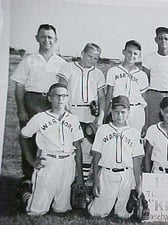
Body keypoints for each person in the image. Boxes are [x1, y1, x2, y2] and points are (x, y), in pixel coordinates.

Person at [11, 24, 66, 186]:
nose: (46, 40)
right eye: (43, 36)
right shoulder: (29, 60)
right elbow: (19, 86)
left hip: (52, 102)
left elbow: (64, 87)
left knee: (50, 141)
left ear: (55, 40)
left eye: (50, 37)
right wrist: (21, 109)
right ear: (37, 38)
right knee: (29, 139)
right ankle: (28, 178)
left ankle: (46, 179)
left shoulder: (61, 63)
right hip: (32, 101)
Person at [20, 83, 84, 215]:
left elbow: (77, 147)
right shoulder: (40, 118)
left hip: (68, 162)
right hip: (48, 162)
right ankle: (26, 193)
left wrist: (80, 177)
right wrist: (31, 160)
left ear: (67, 98)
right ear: (49, 98)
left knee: (61, 209)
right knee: (37, 211)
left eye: (64, 96)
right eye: (57, 96)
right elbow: (23, 136)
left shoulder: (73, 119)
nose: (61, 99)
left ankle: (50, 199)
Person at [88, 95, 144, 219]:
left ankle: (122, 204)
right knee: (97, 213)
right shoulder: (103, 130)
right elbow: (97, 156)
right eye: (116, 112)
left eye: (123, 112)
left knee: (123, 215)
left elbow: (136, 161)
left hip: (126, 175)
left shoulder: (134, 133)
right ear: (111, 113)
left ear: (129, 112)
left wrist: (138, 184)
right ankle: (97, 202)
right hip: (108, 173)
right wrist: (96, 180)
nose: (120, 115)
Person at [58, 43, 106, 187]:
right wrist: (66, 112)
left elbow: (102, 97)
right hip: (71, 111)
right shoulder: (69, 67)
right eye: (90, 56)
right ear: (82, 53)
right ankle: (66, 182)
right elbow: (62, 88)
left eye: (96, 58)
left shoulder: (97, 73)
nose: (92, 60)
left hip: (90, 112)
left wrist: (100, 118)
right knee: (69, 148)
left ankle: (81, 185)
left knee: (86, 149)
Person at [105, 40, 149, 135]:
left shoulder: (142, 75)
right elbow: (108, 96)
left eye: (135, 53)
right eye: (129, 52)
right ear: (123, 52)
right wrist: (104, 115)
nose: (132, 55)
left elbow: (145, 101)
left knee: (135, 141)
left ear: (139, 56)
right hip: (119, 110)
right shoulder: (113, 71)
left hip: (137, 111)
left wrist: (146, 123)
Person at [143, 27, 168, 127]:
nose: (163, 41)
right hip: (153, 95)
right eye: (160, 38)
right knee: (152, 125)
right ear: (155, 40)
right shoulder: (148, 58)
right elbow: (145, 80)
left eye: (166, 38)